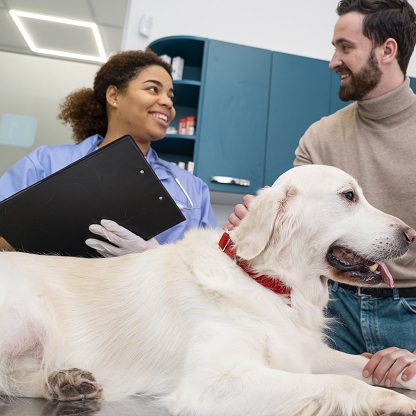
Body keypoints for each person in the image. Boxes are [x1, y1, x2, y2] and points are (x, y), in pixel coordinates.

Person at [226, 0, 416, 389]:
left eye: (345, 47)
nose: (333, 61)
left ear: (388, 50)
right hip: (329, 310)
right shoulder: (319, 137)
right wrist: (260, 222)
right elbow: (296, 234)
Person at [0, 50, 217, 255]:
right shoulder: (45, 163)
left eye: (171, 96)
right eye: (153, 89)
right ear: (114, 95)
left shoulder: (193, 190)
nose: (168, 103)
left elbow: (209, 267)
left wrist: (155, 258)